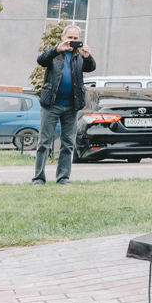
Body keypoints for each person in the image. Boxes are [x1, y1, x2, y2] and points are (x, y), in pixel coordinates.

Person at [33, 25, 96, 185]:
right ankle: (39, 178)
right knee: (44, 143)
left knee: (68, 144)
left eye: (76, 39)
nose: (72, 41)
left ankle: (63, 179)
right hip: (51, 105)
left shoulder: (78, 55)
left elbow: (91, 67)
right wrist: (57, 49)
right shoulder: (54, 53)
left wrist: (87, 56)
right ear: (62, 36)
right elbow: (41, 60)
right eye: (70, 37)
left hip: (71, 106)